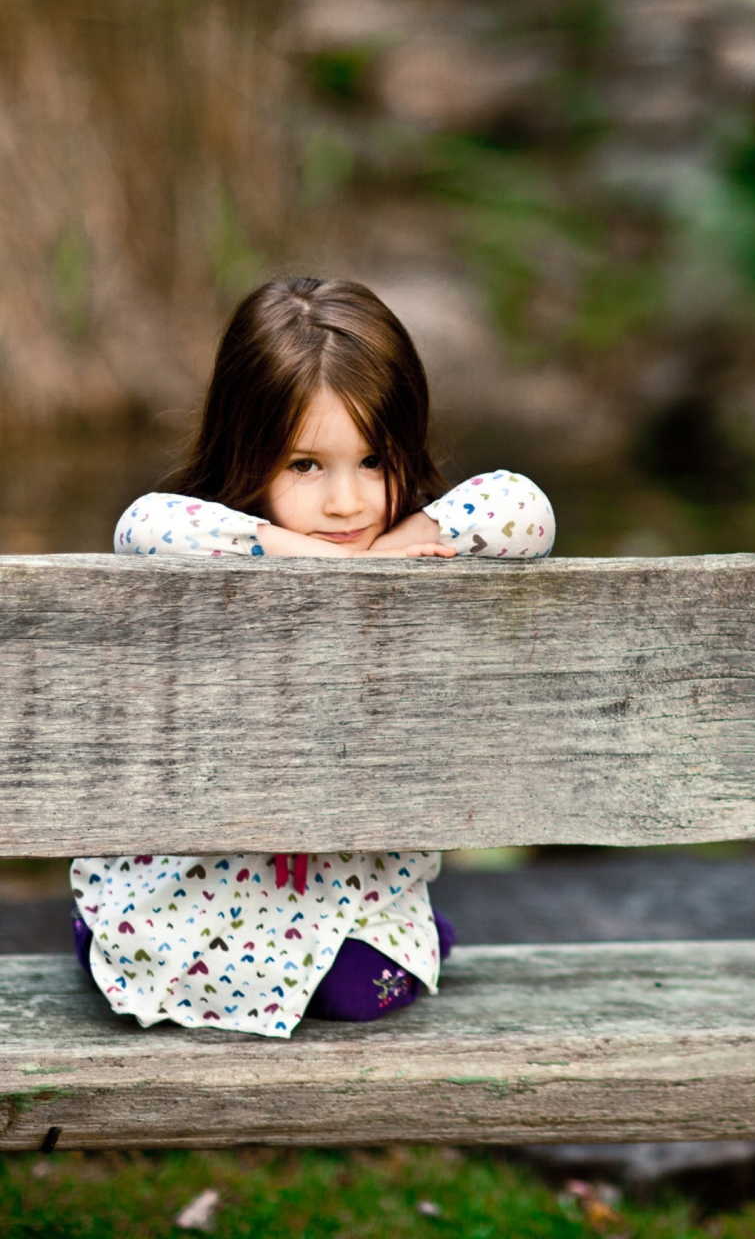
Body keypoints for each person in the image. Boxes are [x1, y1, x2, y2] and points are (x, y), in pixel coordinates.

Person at [71, 276, 555, 1037]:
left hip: (342, 882)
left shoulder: (418, 550)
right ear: (247, 453)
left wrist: (396, 547)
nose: (346, 502)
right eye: (305, 465)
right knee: (348, 985)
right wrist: (294, 553)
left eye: (373, 461)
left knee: (353, 990)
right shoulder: (218, 550)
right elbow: (143, 522)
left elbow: (523, 505)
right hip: (208, 884)